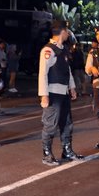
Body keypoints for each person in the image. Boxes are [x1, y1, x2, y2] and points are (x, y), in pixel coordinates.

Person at [38, 20, 78, 166]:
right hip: (53, 93)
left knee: (67, 123)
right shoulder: (48, 50)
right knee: (50, 125)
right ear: (62, 31)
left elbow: (67, 71)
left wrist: (72, 87)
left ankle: (67, 151)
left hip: (64, 92)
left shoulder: (62, 49)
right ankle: (46, 154)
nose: (68, 33)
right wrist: (44, 95)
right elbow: (43, 73)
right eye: (67, 30)